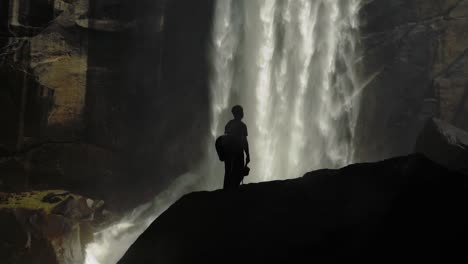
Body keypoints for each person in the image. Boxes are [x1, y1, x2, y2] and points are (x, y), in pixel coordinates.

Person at [223, 105, 250, 190]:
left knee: (228, 172)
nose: (243, 113)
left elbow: (225, 136)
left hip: (228, 153)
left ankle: (226, 191)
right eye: (242, 111)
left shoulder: (229, 124)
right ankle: (234, 190)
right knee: (238, 172)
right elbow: (244, 141)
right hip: (238, 152)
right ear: (239, 113)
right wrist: (248, 154)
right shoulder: (242, 126)